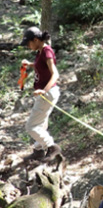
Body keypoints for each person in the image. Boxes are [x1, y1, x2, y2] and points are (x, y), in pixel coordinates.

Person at [20, 26, 62, 163]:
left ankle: (51, 147)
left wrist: (44, 91)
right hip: (46, 93)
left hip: (47, 93)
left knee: (31, 126)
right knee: (41, 124)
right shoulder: (40, 51)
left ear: (36, 40)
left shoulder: (47, 51)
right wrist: (29, 64)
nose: (27, 46)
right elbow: (41, 66)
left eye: (28, 43)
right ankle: (38, 151)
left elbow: (55, 74)